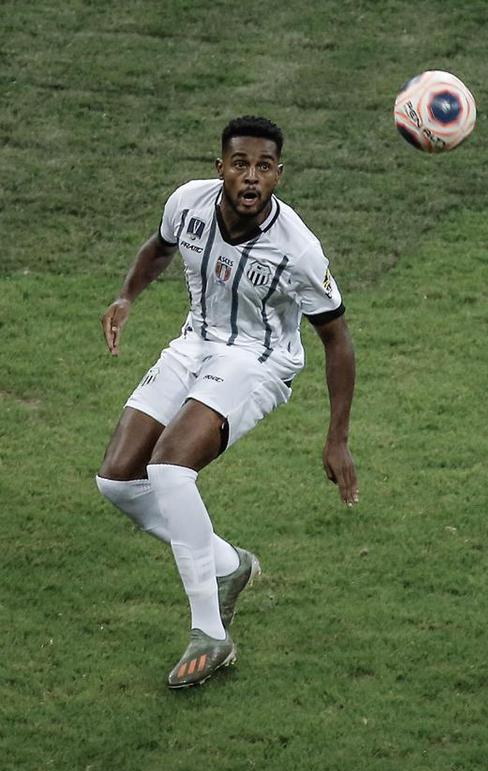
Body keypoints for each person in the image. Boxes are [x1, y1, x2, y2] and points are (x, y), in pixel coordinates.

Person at [96, 116, 358, 689]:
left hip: (259, 361)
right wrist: (126, 296)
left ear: (278, 176)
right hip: (195, 343)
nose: (251, 176)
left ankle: (210, 633)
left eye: (264, 167)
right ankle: (227, 564)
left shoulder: (298, 251)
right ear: (220, 168)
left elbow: (336, 338)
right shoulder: (188, 204)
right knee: (118, 481)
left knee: (168, 468)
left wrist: (336, 437)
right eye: (240, 163)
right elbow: (158, 248)